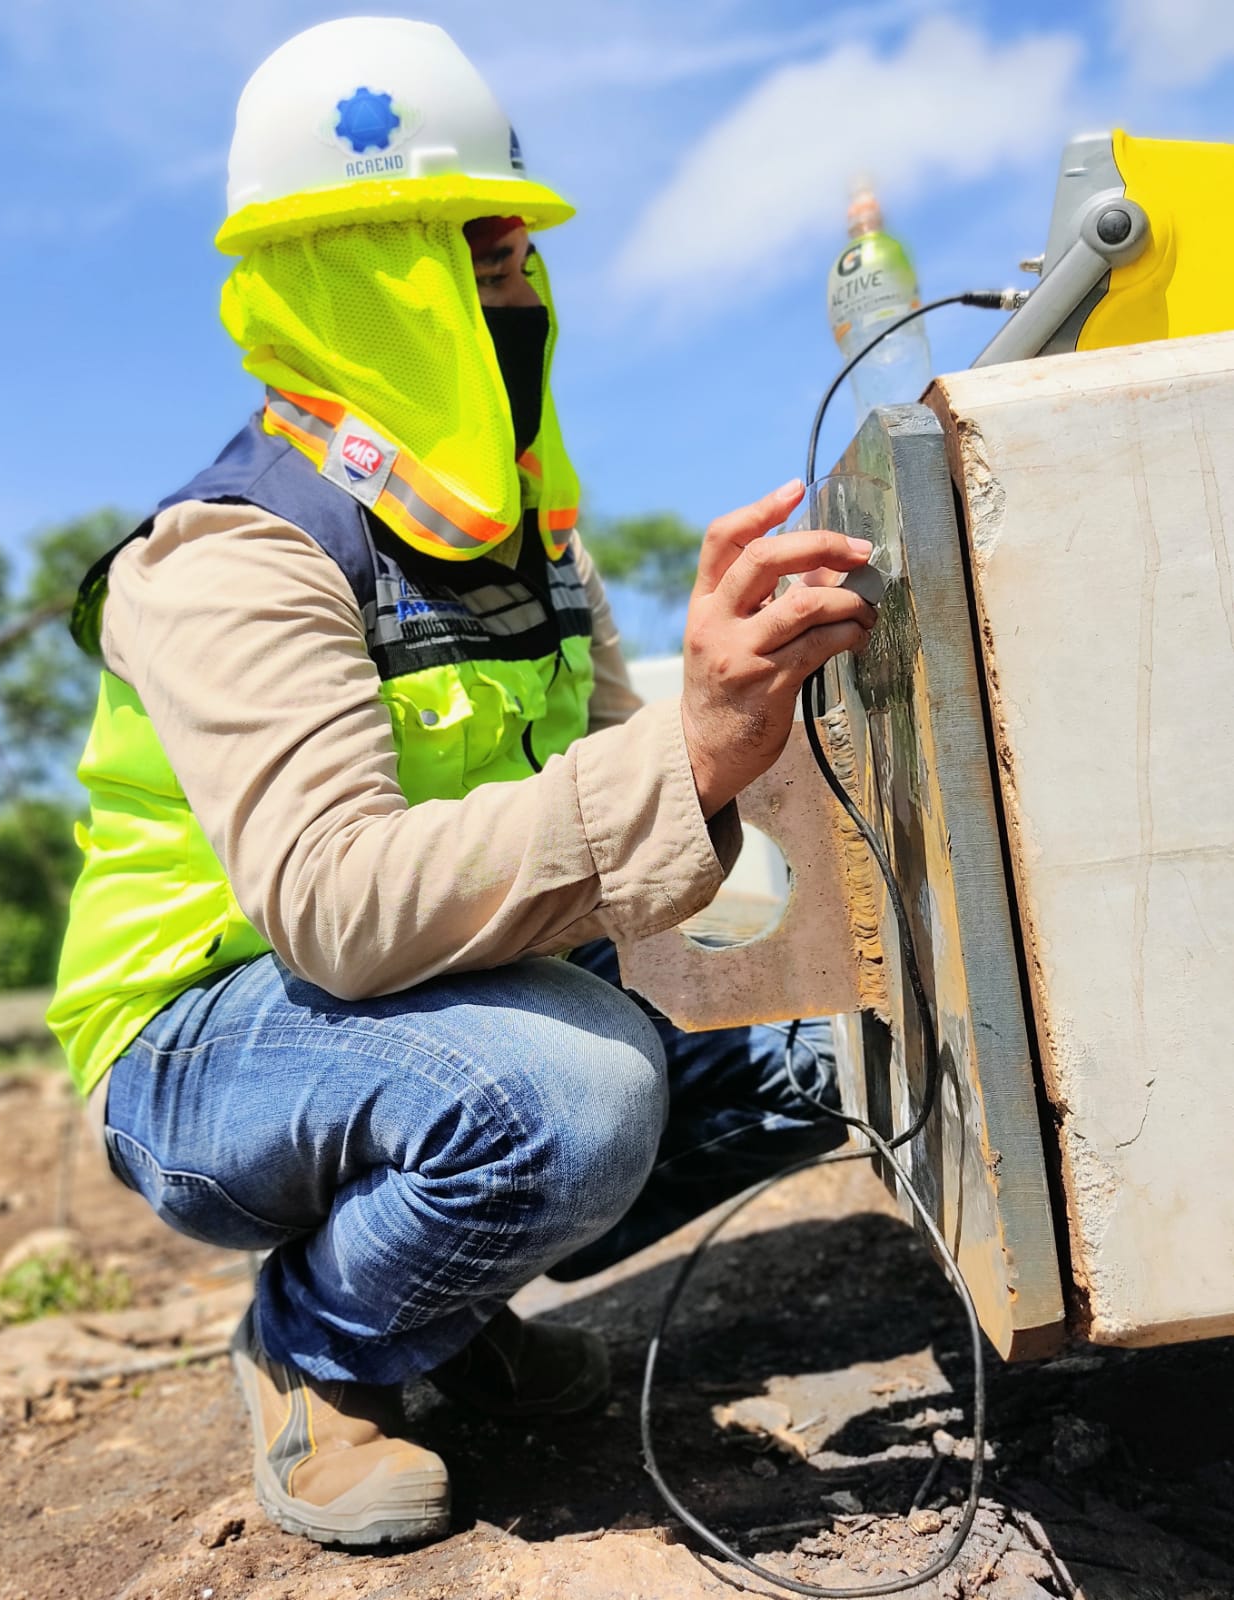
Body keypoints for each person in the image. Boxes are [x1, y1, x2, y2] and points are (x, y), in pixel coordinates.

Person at [46, 16, 878, 1550]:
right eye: (463, 253)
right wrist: (685, 747)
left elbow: (639, 801)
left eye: (512, 248)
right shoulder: (237, 556)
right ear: (349, 281)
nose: (513, 286)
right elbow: (336, 915)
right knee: (571, 1092)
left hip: (448, 998)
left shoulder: (527, 536)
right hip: (212, 1040)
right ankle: (318, 1345)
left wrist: (780, 744)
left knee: (823, 1037)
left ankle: (437, 1302)